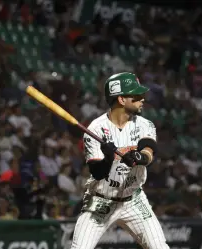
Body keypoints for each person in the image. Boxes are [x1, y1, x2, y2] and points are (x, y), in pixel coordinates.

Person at [70, 72, 170, 249]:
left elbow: (149, 151)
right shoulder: (95, 129)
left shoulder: (145, 124)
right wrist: (108, 158)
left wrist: (138, 157)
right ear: (122, 99)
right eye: (136, 95)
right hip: (101, 201)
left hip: (134, 201)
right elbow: (98, 172)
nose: (142, 98)